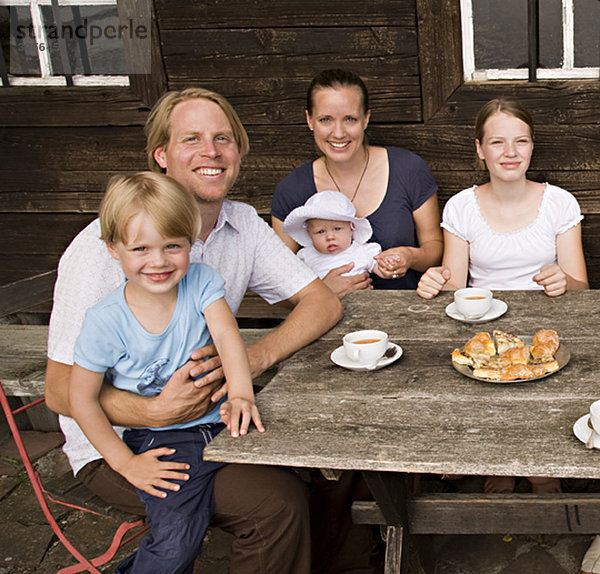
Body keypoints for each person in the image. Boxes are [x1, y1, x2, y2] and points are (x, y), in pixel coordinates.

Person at [45, 87, 342, 574]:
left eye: (223, 138)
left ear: (239, 152)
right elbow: (59, 390)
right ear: (161, 155)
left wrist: (251, 358)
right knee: (274, 507)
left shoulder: (240, 224)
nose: (212, 151)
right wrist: (153, 410)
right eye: (192, 139)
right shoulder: (106, 248)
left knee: (337, 450)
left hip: (211, 419)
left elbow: (322, 303)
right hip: (121, 443)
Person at [69, 172, 265, 573]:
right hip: (165, 438)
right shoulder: (105, 321)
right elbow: (80, 399)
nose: (158, 261)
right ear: (113, 248)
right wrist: (126, 463)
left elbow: (228, 338)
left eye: (172, 246)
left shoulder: (201, 282)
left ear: (191, 243)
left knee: (300, 477)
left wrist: (242, 393)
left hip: (223, 420)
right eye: (140, 248)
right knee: (177, 540)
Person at [417, 96, 589, 494]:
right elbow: (455, 284)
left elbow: (581, 287)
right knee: (474, 375)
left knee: (548, 379)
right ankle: (499, 460)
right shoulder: (461, 207)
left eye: (521, 141)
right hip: (487, 327)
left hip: (547, 327)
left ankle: (540, 467)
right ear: (480, 149)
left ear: (532, 146)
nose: (510, 153)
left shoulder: (560, 203)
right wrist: (433, 282)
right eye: (497, 142)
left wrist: (564, 280)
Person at [271, 68, 443, 298]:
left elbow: (434, 247)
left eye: (350, 119)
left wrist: (410, 256)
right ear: (309, 120)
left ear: (366, 119)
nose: (339, 133)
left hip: (406, 316)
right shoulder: (292, 189)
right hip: (327, 324)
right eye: (325, 120)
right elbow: (276, 279)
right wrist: (319, 293)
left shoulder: (408, 169)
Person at [282, 189, 386, 279]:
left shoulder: (362, 251)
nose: (330, 237)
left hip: (359, 300)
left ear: (351, 229)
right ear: (309, 234)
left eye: (337, 229)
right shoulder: (306, 256)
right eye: (320, 232)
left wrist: (389, 263)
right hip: (322, 300)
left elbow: (381, 269)